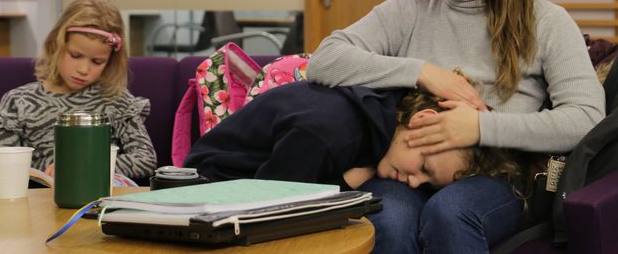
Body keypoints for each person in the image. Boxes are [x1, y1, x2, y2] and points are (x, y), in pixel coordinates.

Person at [305, 0, 606, 253]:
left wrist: (479, 127)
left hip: (496, 175)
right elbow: (324, 60)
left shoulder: (545, 20)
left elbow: (586, 119)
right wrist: (423, 72)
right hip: (406, 170)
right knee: (389, 219)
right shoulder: (410, 9)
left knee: (450, 213)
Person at [184, 78, 520, 191]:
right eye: (425, 168)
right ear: (423, 120)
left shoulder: (382, 113)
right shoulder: (326, 135)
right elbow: (269, 212)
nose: (415, 182)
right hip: (208, 188)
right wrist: (347, 183)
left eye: (427, 184)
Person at [0, 0, 157, 180]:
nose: (83, 69)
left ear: (110, 61)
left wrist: (84, 166)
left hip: (97, 200)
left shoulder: (116, 100)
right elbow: (1, 172)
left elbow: (145, 159)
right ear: (55, 44)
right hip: (39, 200)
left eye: (97, 61)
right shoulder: (19, 101)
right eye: (75, 55)